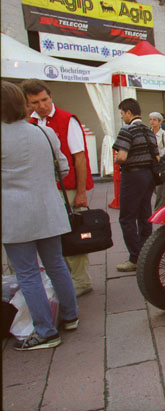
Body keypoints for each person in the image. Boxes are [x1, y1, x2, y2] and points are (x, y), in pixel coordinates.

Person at [2, 81, 79, 350]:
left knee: (28, 273)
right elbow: (64, 169)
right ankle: (70, 316)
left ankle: (45, 331)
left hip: (14, 214)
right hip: (48, 208)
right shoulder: (44, 132)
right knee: (57, 263)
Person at [22, 79, 94, 297]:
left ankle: (81, 281)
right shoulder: (30, 123)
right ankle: (64, 278)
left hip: (68, 187)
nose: (41, 105)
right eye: (35, 102)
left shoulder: (66, 119)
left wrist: (81, 192)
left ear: (51, 97)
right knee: (53, 236)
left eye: (44, 99)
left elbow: (79, 158)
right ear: (28, 103)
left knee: (74, 234)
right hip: (44, 188)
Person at [112, 98, 159, 272]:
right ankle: (146, 253)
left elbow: (122, 156)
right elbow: (157, 157)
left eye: (122, 113)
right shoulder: (149, 131)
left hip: (132, 176)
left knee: (127, 217)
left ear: (129, 113)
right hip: (149, 176)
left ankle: (135, 257)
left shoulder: (127, 130)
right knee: (144, 213)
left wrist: (116, 160)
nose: (122, 117)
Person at [149, 112, 165, 212]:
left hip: (161, 164)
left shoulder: (164, 134)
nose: (152, 122)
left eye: (154, 120)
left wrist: (158, 155)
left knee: (160, 188)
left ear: (160, 122)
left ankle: (158, 210)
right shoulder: (148, 133)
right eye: (150, 119)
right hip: (150, 164)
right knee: (152, 186)